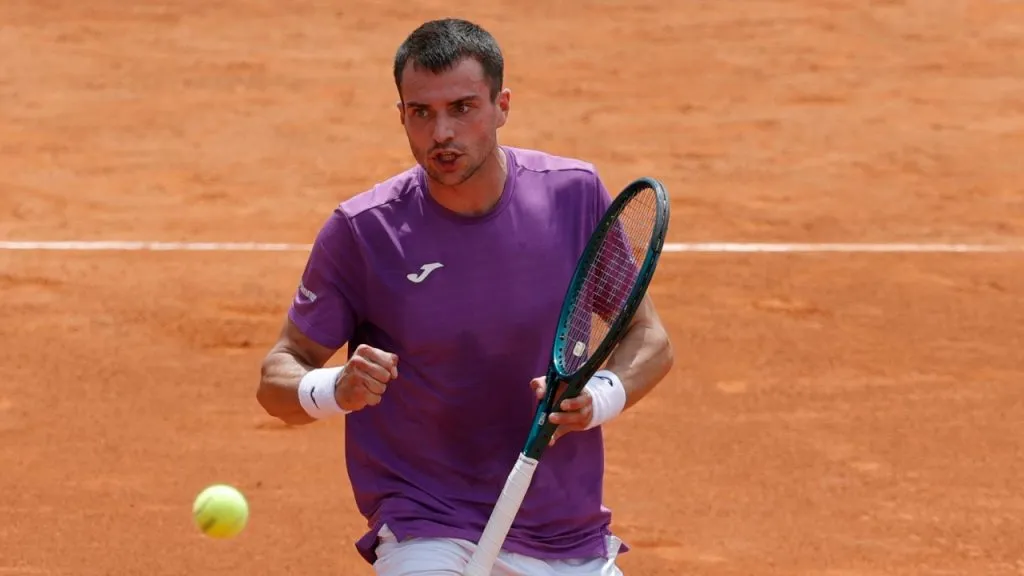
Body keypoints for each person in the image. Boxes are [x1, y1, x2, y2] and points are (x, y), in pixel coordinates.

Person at [256, 17, 674, 576]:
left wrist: (595, 399)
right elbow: (277, 377)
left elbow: (649, 339)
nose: (441, 133)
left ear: (501, 106)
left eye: (462, 107)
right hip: (426, 521)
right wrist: (337, 386)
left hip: (562, 527)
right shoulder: (363, 231)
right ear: (401, 115)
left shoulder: (573, 195)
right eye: (421, 113)